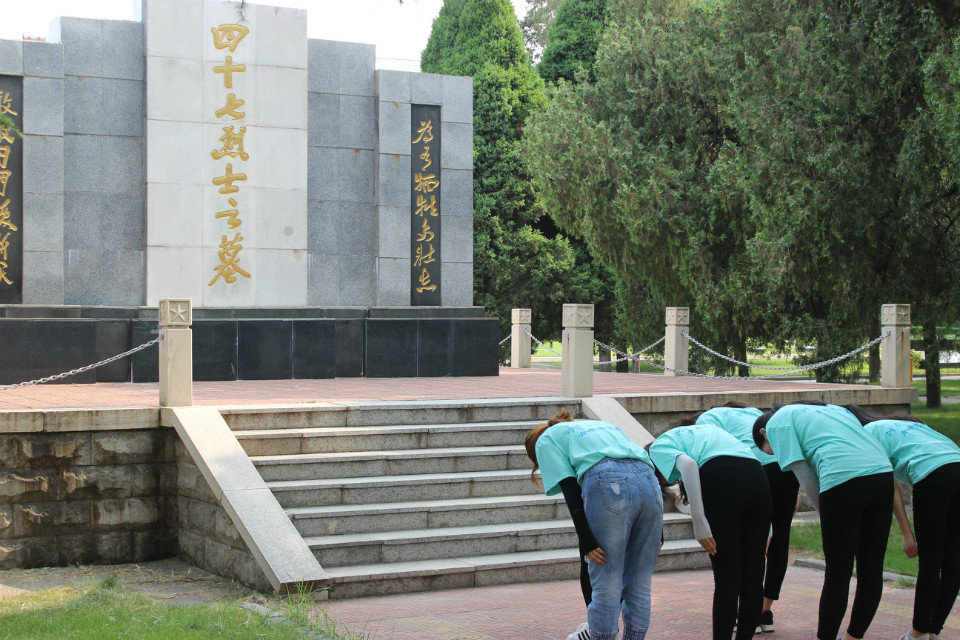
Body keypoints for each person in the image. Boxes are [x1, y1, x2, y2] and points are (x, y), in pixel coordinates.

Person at [753, 402, 894, 640]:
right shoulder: (831, 409)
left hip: (842, 478)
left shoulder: (777, 422)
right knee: (871, 569)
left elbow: (805, 478)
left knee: (838, 571)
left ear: (764, 433)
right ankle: (853, 637)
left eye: (771, 451)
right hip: (882, 474)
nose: (777, 455)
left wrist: (828, 514)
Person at [524, 410, 663, 640]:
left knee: (607, 581)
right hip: (649, 481)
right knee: (639, 582)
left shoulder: (545, 441)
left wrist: (587, 541)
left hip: (608, 482)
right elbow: (641, 470)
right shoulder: (600, 426)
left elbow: (570, 490)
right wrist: (659, 532)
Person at [647, 421, 772, 640]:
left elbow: (688, 466)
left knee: (727, 580)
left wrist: (699, 522)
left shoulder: (659, 446)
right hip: (757, 476)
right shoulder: (705, 432)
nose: (668, 482)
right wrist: (768, 528)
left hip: (722, 479)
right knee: (753, 578)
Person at [846, 405, 960, 640]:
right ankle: (933, 630)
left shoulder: (866, 434)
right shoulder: (903, 423)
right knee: (953, 560)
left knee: (930, 562)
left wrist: (907, 534)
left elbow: (891, 488)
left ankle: (918, 633)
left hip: (932, 474)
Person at [694, 401, 800, 633]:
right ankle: (764, 611)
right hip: (786, 467)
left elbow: (712, 451)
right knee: (780, 540)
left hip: (755, 471)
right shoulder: (754, 412)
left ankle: (739, 612)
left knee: (746, 547)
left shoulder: (709, 418)